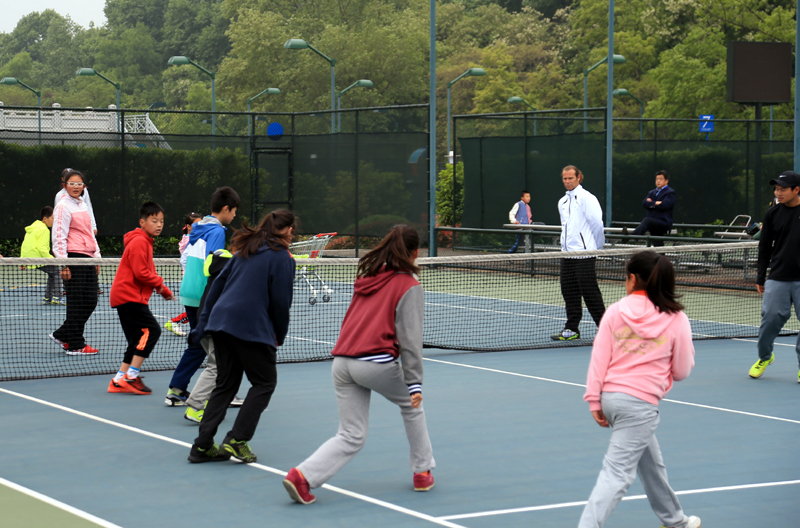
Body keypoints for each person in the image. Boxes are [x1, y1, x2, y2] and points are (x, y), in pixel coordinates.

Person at [283, 225, 436, 505]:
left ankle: (302, 476)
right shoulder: (410, 286)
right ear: (415, 253)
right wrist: (414, 383)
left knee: (351, 434)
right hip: (374, 364)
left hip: (342, 363)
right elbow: (411, 339)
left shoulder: (368, 277)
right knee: (412, 405)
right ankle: (422, 472)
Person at [579, 250, 701, 528]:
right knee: (616, 474)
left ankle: (675, 521)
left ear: (633, 279)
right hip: (639, 407)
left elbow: (599, 359)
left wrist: (594, 400)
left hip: (611, 400)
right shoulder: (677, 318)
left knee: (650, 464)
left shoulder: (615, 311)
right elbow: (682, 370)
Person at [186, 210, 295, 464]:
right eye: (292, 230)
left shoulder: (244, 251)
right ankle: (237, 439)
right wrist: (279, 334)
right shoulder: (282, 258)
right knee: (264, 383)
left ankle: (202, 446)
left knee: (225, 384)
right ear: (288, 230)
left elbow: (216, 287)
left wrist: (204, 324)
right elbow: (281, 303)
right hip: (251, 328)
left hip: (221, 325)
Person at [165, 188, 240, 406]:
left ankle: (177, 391)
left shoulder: (197, 228)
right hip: (203, 294)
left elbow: (186, 260)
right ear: (225, 209)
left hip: (189, 291)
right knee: (222, 346)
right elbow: (215, 266)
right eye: (234, 211)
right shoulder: (216, 232)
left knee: (199, 344)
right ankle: (223, 393)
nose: (234, 215)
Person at [107, 202, 175, 395]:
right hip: (128, 296)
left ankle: (118, 380)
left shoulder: (145, 241)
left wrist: (162, 290)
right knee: (153, 330)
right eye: (154, 221)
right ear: (142, 222)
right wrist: (161, 286)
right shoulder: (139, 242)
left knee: (136, 340)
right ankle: (131, 376)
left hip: (126, 296)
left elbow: (147, 272)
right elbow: (141, 273)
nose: (159, 225)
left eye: (161, 221)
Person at [183, 248, 245, 424]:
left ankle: (211, 401)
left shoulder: (215, 276)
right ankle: (195, 407)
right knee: (216, 367)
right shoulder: (229, 278)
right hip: (216, 328)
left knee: (223, 367)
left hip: (205, 326)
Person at [749, 170, 800, 382]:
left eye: (783, 189)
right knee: (769, 319)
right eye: (776, 189)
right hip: (778, 276)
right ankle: (765, 357)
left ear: (796, 190)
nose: (778, 192)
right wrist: (760, 277)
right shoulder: (772, 214)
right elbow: (764, 247)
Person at [49, 170, 101, 356]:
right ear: (64, 185)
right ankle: (75, 344)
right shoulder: (62, 206)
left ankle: (63, 334)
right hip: (72, 257)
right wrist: (64, 264)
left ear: (84, 186)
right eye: (72, 183)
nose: (76, 187)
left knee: (91, 300)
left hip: (87, 258)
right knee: (76, 302)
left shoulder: (82, 205)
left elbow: (89, 233)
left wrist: (97, 257)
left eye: (79, 184)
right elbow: (58, 236)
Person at [552, 165, 606, 341]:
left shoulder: (587, 198)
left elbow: (597, 224)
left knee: (590, 293)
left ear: (578, 178)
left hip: (585, 254)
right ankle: (571, 329)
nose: (567, 181)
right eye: (565, 179)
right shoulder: (562, 202)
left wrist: (596, 247)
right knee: (568, 291)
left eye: (571, 178)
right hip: (567, 255)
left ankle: (606, 330)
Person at [165, 212, 203, 337]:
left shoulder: (190, 238)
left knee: (199, 307)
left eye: (201, 223)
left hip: (194, 277)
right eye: (196, 224)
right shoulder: (190, 240)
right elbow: (185, 260)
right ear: (188, 226)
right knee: (199, 308)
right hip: (192, 278)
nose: (200, 226)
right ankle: (175, 321)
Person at [20, 206, 64, 305]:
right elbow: (42, 248)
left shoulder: (33, 228)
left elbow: (24, 245)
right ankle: (58, 297)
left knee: (53, 273)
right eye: (52, 218)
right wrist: (53, 260)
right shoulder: (44, 230)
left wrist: (22, 261)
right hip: (37, 258)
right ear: (45, 219)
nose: (53, 221)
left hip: (29, 258)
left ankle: (47, 298)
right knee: (56, 271)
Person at [628, 170, 676, 247]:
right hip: (653, 222)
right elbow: (644, 203)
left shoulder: (670, 192)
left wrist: (651, 203)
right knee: (658, 245)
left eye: (661, 179)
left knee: (647, 220)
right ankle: (661, 255)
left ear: (666, 181)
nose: (658, 181)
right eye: (657, 179)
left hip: (663, 222)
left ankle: (632, 238)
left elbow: (665, 205)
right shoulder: (651, 192)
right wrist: (656, 203)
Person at [55, 168, 97, 236]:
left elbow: (89, 207)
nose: (75, 186)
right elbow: (58, 219)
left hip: (85, 230)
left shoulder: (84, 194)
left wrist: (93, 226)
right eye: (70, 181)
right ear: (63, 180)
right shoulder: (59, 196)